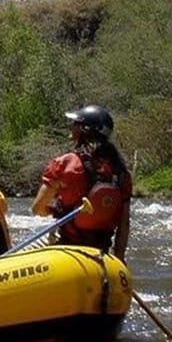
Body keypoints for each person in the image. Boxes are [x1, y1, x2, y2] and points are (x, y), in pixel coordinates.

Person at [30, 104, 131, 261]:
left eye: (75, 123)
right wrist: (120, 260)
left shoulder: (66, 163)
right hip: (101, 250)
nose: (71, 126)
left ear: (84, 129)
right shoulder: (121, 172)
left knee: (21, 252)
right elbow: (123, 226)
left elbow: (38, 209)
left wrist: (56, 208)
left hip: (67, 246)